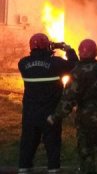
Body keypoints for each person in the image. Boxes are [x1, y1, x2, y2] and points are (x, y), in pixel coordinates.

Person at [47, 39, 97, 174]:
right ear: (95, 52)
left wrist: (55, 117)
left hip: (87, 116)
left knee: (86, 150)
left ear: (80, 53)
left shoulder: (77, 73)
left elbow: (68, 99)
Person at [18, 33, 78, 174]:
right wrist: (68, 49)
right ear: (47, 46)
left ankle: (24, 169)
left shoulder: (23, 64)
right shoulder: (56, 63)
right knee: (52, 146)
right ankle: (53, 170)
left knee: (27, 146)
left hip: (30, 115)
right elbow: (75, 65)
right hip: (50, 115)